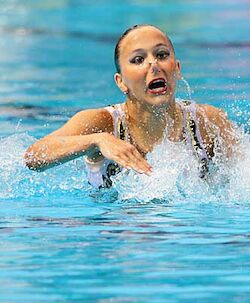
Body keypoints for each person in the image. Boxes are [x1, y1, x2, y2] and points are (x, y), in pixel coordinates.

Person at [24, 24, 238, 188]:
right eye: (138, 60)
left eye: (161, 55)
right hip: (113, 235)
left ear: (177, 69)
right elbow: (34, 157)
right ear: (121, 82)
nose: (153, 64)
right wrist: (97, 140)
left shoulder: (207, 122)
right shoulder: (102, 123)